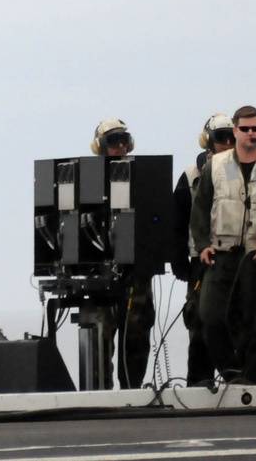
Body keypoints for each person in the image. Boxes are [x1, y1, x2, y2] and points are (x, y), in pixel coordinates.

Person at [190, 105, 256, 384]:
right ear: (235, 130)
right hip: (221, 255)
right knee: (210, 317)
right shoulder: (216, 165)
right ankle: (230, 372)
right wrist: (202, 244)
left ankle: (255, 380)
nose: (251, 134)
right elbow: (199, 208)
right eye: (245, 128)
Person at [89, 118, 155, 389]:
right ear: (100, 147)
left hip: (136, 273)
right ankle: (102, 396)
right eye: (112, 142)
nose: (119, 147)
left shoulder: (143, 178)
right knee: (101, 338)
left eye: (123, 141)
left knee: (137, 335)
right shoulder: (89, 180)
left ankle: (132, 391)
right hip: (99, 273)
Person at [172, 113, 236, 387]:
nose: (227, 143)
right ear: (208, 141)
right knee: (199, 322)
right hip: (200, 260)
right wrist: (179, 262)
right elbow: (177, 221)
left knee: (236, 319)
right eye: (221, 138)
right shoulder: (191, 175)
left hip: (234, 257)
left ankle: (237, 379)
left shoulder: (243, 171)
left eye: (231, 137)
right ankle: (199, 382)